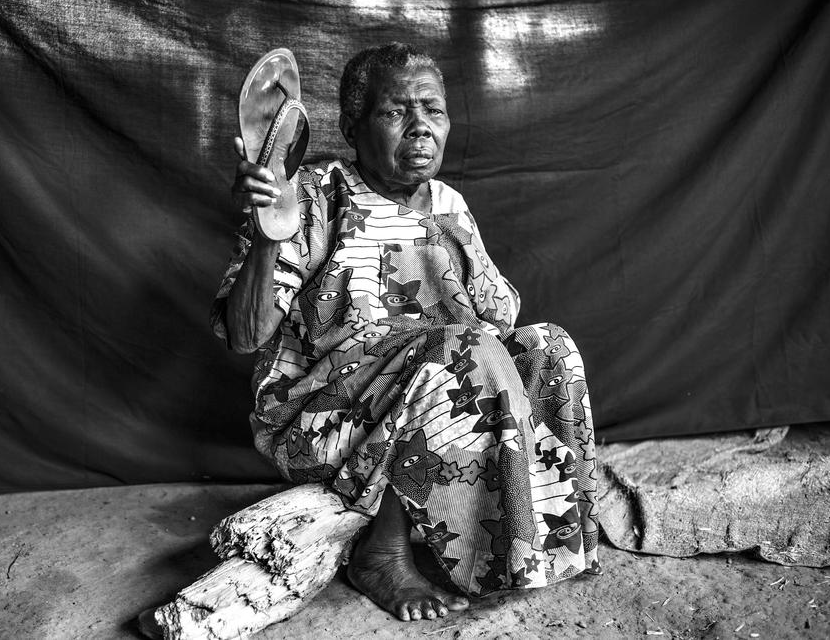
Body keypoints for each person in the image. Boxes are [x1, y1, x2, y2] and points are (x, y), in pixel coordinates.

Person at [216, 42, 600, 622]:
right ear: (352, 127)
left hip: (425, 393)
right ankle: (382, 552)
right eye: (395, 112)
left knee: (550, 347)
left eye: (433, 111)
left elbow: (500, 317)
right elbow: (245, 337)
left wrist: (447, 242)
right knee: (456, 345)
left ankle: (542, 538)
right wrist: (268, 230)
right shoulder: (312, 195)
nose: (421, 127)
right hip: (317, 419)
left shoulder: (448, 203)